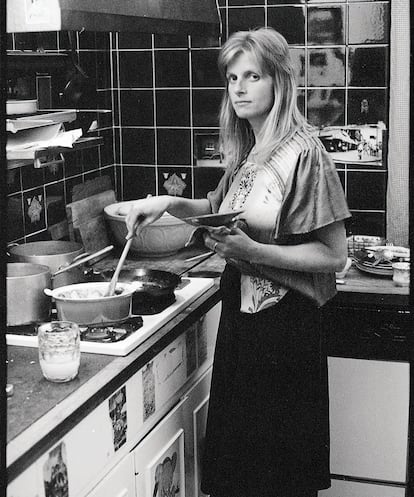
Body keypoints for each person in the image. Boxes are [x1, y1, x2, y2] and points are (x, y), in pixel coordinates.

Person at [124, 27, 350, 497]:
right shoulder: (247, 154)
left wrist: (252, 253)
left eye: (253, 76)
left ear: (279, 82)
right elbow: (216, 210)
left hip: (287, 334)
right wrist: (166, 203)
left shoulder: (306, 154)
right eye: (232, 78)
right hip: (242, 329)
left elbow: (333, 256)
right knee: (239, 480)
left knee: (279, 482)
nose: (240, 88)